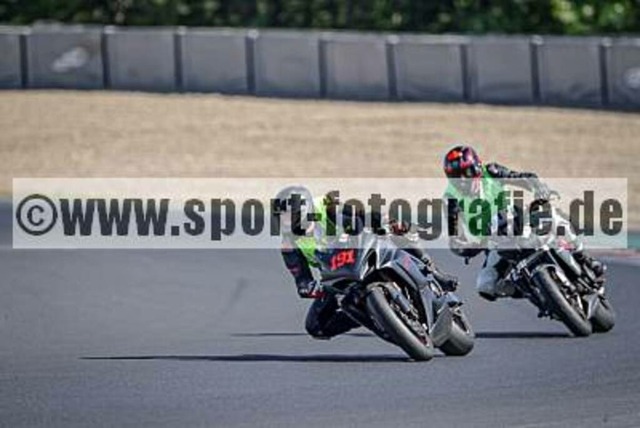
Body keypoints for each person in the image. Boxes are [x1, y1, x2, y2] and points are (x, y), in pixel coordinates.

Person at [274, 185, 458, 339]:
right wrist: (308, 288)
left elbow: (358, 215)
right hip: (338, 275)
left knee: (397, 228)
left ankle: (434, 272)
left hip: (360, 248)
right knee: (315, 327)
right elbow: (302, 279)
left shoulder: (325, 207)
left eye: (287, 216)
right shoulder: (289, 245)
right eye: (280, 216)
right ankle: (375, 315)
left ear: (304, 210)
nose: (283, 222)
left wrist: (377, 220)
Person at [442, 145, 605, 301]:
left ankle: (584, 258)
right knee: (485, 285)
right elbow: (454, 236)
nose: (463, 180)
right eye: (456, 177)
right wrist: (466, 248)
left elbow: (523, 177)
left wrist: (538, 187)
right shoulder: (450, 198)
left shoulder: (492, 171)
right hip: (493, 243)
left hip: (517, 220)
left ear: (477, 167)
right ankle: (533, 293)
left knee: (553, 215)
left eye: (467, 172)